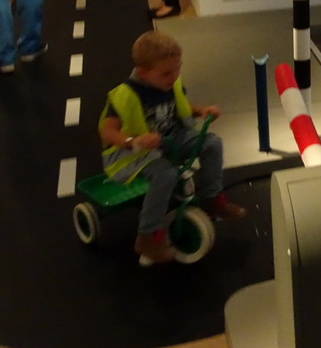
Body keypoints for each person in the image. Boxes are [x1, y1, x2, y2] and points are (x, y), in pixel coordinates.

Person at [98, 31, 246, 265]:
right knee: (166, 173)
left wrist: (200, 110)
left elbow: (180, 105)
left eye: (178, 69)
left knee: (212, 143)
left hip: (170, 139)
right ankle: (147, 236)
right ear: (143, 71)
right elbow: (107, 131)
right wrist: (132, 141)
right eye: (167, 72)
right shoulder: (124, 95)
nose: (175, 76)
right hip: (135, 153)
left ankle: (211, 198)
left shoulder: (170, 82)